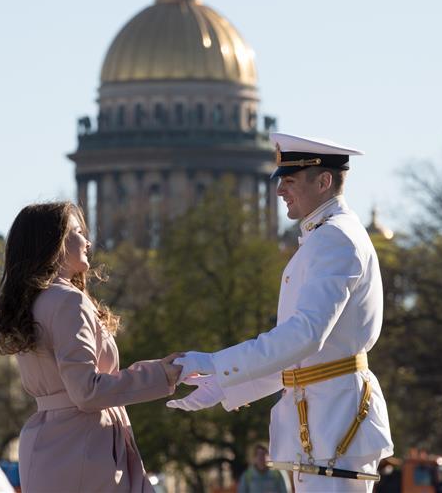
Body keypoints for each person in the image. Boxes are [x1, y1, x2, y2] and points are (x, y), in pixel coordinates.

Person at [167, 133, 394, 492]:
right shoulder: (325, 236)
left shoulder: (335, 237)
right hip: (325, 423)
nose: (279, 191)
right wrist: (227, 384)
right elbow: (305, 358)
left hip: (332, 424)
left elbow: (305, 336)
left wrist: (215, 362)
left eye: (289, 181)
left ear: (323, 181)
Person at [0, 202, 182, 493]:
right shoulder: (68, 301)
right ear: (55, 243)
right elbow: (86, 391)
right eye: (78, 232)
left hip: (49, 447)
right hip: (84, 448)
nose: (88, 241)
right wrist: (160, 375)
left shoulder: (33, 301)